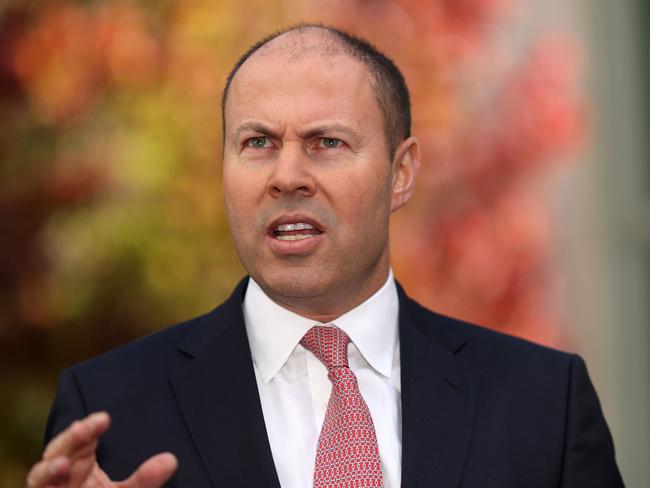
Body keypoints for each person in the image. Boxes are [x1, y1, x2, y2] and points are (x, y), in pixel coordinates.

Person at [27, 24, 624, 488]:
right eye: (257, 143)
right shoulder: (110, 410)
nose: (287, 176)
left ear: (401, 172)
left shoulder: (544, 402)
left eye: (327, 143)